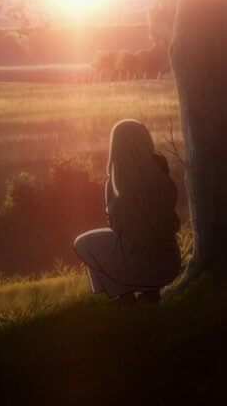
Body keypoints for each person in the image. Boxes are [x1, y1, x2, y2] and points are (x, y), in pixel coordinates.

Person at [73, 119, 181, 305]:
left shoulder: (114, 184)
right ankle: (150, 293)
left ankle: (124, 295)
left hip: (139, 262)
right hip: (170, 263)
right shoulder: (161, 175)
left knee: (82, 243)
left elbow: (115, 226)